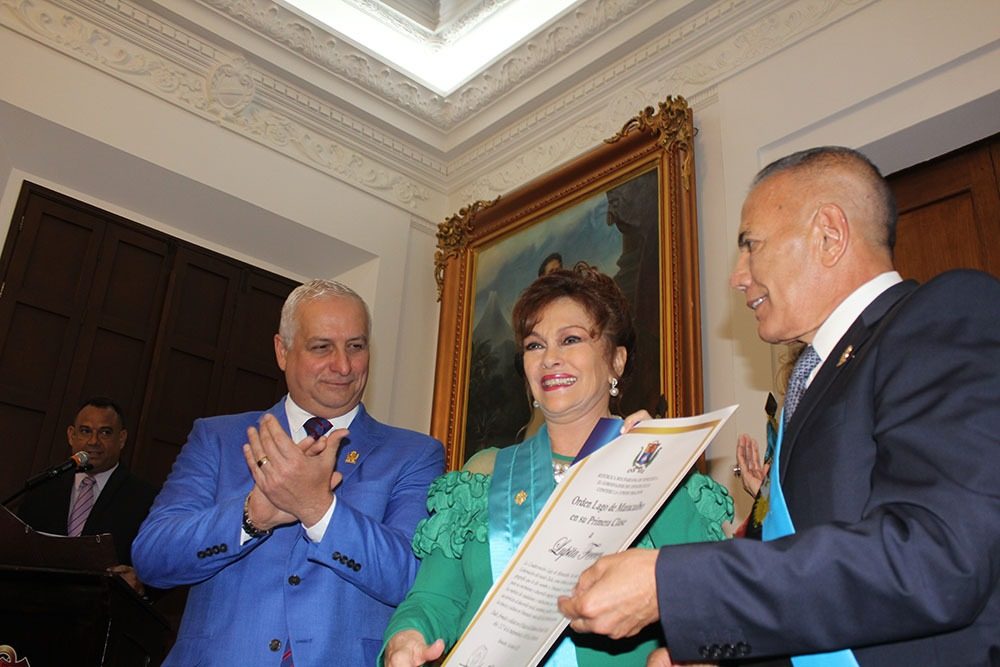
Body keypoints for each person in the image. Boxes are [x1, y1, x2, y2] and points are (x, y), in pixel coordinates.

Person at [558, 146, 1000, 665]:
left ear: (829, 235)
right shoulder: (813, 381)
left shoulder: (944, 314)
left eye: (751, 245)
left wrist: (670, 585)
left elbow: (938, 560)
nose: (737, 276)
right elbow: (820, 600)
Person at [381, 263, 733, 666]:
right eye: (534, 345)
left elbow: (713, 604)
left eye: (570, 339)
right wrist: (407, 637)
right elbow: (434, 599)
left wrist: (654, 465)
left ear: (616, 361)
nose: (550, 358)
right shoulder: (482, 476)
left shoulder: (669, 473)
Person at [132, 279, 445, 666]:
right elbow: (151, 559)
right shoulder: (217, 438)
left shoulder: (414, 454)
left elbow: (413, 578)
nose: (343, 366)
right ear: (282, 350)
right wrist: (251, 517)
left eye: (356, 346)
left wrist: (319, 510)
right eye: (321, 347)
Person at [17, 397, 158, 594]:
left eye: (105, 433)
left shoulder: (146, 499)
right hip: (36, 609)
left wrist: (142, 583)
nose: (93, 442)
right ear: (71, 435)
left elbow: (163, 563)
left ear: (122, 438)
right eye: (85, 431)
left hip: (102, 615)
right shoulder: (42, 488)